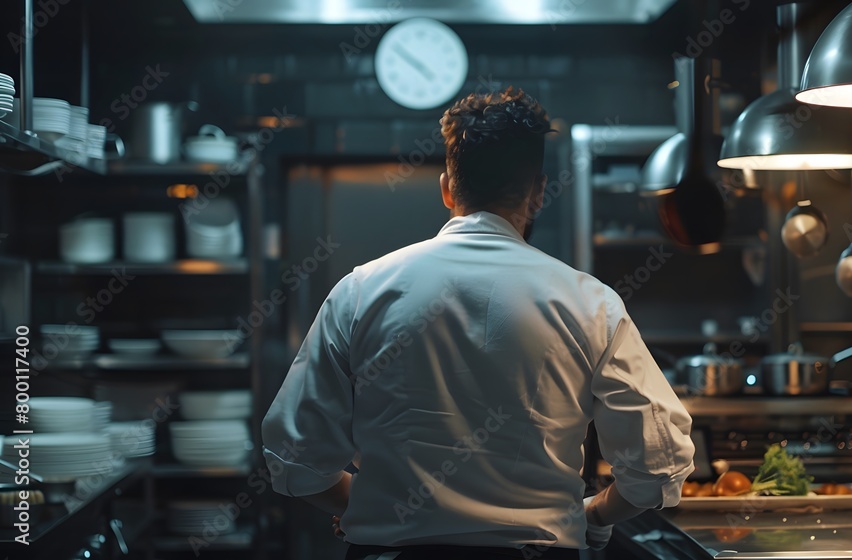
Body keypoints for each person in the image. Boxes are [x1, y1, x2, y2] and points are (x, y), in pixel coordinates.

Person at [261, 87, 695, 560]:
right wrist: (590, 516)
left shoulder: (361, 290)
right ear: (538, 194)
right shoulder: (590, 303)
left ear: (447, 187)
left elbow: (296, 462)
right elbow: (658, 467)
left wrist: (371, 507)